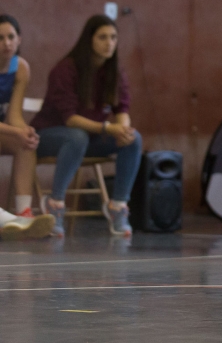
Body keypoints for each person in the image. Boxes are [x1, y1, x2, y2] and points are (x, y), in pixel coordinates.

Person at [32, 15, 142, 238]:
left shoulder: (115, 72)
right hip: (48, 137)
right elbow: (71, 119)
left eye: (113, 37)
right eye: (103, 37)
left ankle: (118, 206)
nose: (109, 43)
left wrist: (122, 130)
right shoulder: (66, 69)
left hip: (87, 138)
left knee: (134, 139)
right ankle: (55, 204)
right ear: (89, 39)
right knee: (76, 136)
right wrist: (108, 129)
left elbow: (122, 109)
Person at [0, 14, 54, 240]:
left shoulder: (21, 68)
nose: (6, 43)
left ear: (19, 39)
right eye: (0, 38)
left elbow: (14, 116)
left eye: (11, 37)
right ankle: (9, 222)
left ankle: (24, 213)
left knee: (25, 144)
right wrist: (16, 132)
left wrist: (25, 131)